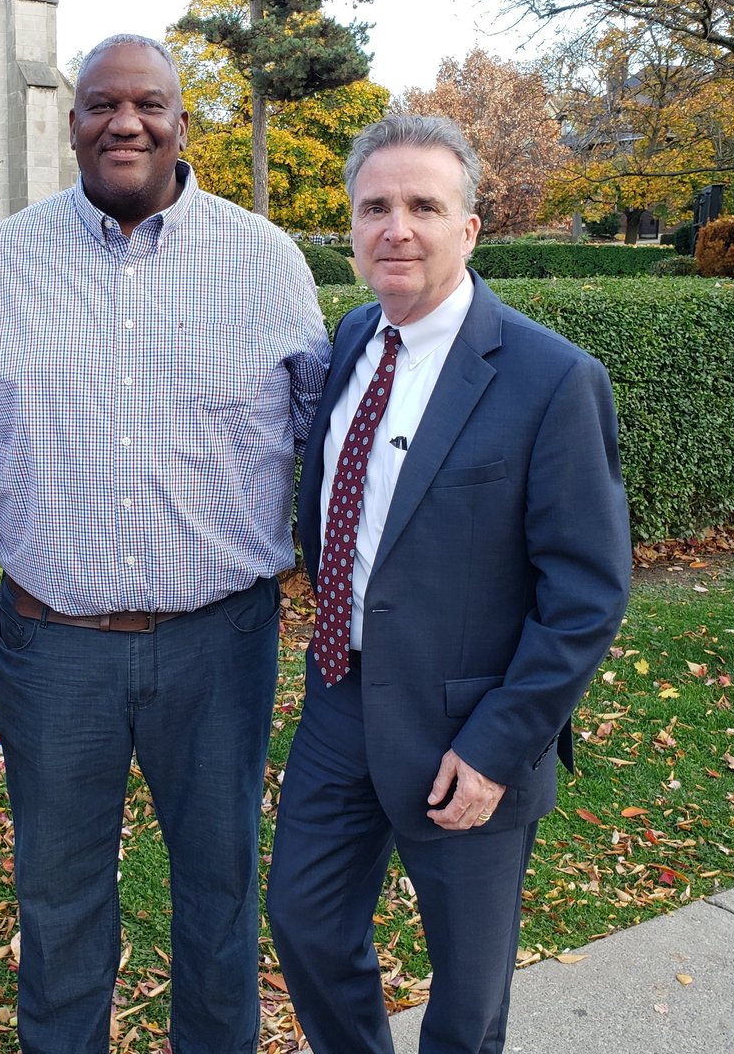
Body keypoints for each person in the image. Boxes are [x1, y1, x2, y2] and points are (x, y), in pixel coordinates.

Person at [0, 34, 331, 1053]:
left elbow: (331, 442)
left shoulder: (266, 263)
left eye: (148, 103)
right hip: (51, 647)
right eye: (101, 104)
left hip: (220, 644)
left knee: (220, 890)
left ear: (182, 124)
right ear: (72, 124)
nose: (126, 122)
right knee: (57, 897)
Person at [266, 114, 632, 1054]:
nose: (397, 229)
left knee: (466, 1005)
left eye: (424, 207)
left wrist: (499, 748)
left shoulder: (552, 379)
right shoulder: (354, 338)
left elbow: (586, 595)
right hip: (342, 702)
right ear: (352, 227)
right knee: (305, 924)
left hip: (468, 734)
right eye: (375, 208)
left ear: (469, 229)